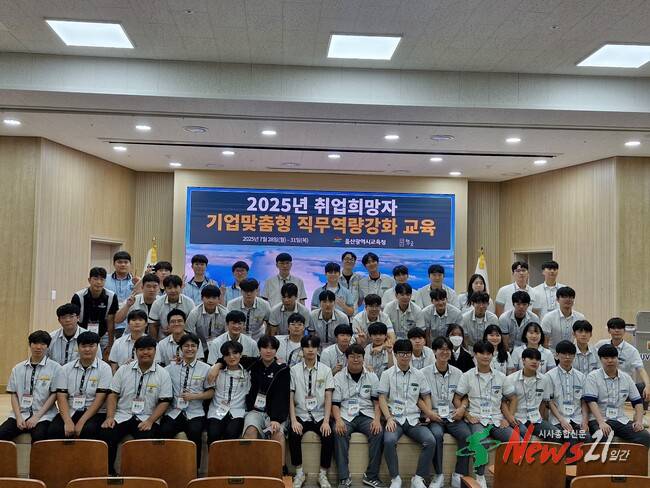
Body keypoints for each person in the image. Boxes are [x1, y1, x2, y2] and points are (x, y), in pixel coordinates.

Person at [100, 335, 173, 475]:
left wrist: (150, 421)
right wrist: (109, 417)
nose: (145, 352)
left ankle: (141, 476)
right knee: (106, 433)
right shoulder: (123, 370)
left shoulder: (163, 374)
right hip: (122, 415)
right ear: (135, 351)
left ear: (155, 351)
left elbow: (164, 401)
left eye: (149, 349)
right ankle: (109, 473)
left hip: (146, 417)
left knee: (147, 438)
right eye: (141, 349)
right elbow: (113, 394)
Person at [454, 341, 514, 488]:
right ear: (475, 355)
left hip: (497, 419)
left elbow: (512, 398)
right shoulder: (467, 376)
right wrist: (467, 415)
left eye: (489, 353)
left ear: (493, 355)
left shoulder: (501, 376)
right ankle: (480, 476)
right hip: (477, 418)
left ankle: (510, 475)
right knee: (481, 442)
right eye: (482, 353)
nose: (486, 356)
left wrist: (508, 418)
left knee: (516, 440)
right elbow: (457, 398)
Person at [378, 339, 435, 488]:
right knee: (389, 441)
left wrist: (428, 414)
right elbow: (382, 398)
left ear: (411, 355)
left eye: (408, 353)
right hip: (395, 419)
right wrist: (388, 418)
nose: (405, 356)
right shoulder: (387, 374)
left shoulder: (419, 374)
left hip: (414, 419)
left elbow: (426, 396)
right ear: (395, 354)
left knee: (430, 440)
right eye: (401, 353)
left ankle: (418, 478)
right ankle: (395, 478)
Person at [419, 337, 472, 488]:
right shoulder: (423, 373)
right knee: (436, 435)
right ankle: (438, 475)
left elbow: (465, 396)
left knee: (467, 435)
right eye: (441, 349)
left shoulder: (458, 373)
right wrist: (429, 413)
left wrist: (462, 408)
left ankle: (459, 473)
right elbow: (418, 398)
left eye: (448, 349)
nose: (445, 352)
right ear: (434, 351)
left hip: (453, 415)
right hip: (434, 416)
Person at [332, 344, 383, 488]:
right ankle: (343, 477)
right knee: (338, 431)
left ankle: (371, 476)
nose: (356, 359)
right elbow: (335, 404)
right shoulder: (338, 377)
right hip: (345, 415)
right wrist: (338, 420)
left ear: (363, 358)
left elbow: (377, 403)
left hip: (366, 414)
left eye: (359, 356)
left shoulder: (372, 376)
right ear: (346, 358)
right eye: (352, 356)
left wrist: (377, 420)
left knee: (378, 432)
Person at [160, 333, 213, 469]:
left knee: (195, 432)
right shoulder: (170, 368)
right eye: (186, 346)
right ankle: (166, 467)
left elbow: (211, 392)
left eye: (193, 346)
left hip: (195, 412)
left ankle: (194, 469)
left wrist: (194, 396)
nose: (190, 349)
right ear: (180, 348)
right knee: (164, 430)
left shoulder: (206, 368)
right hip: (174, 411)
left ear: (198, 348)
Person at [240, 336, 291, 475]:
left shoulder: (282, 369)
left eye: (272, 348)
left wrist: (276, 418)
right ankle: (250, 469)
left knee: (277, 432)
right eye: (265, 347)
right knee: (250, 429)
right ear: (259, 349)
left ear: (276, 351)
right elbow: (231, 358)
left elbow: (282, 396)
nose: (268, 351)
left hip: (275, 413)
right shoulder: (253, 363)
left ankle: (280, 470)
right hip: (255, 411)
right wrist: (217, 365)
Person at [289, 335, 335, 488]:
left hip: (319, 414)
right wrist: (293, 420)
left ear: (318, 349)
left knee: (328, 435)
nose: (310, 350)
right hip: (301, 413)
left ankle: (323, 474)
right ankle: (299, 473)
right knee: (294, 434)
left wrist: (326, 421)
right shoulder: (294, 370)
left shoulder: (326, 370)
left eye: (313, 347)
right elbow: (290, 397)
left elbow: (328, 397)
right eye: (307, 347)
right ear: (301, 350)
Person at [0, 331, 62, 443]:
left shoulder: (55, 368)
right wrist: (18, 417)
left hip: (44, 416)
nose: (38, 347)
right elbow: (13, 394)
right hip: (20, 414)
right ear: (30, 345)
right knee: (2, 434)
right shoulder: (17, 368)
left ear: (48, 346)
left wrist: (36, 417)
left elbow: (54, 395)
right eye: (35, 343)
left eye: (43, 344)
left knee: (39, 437)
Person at [583, 344, 650, 448]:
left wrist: (639, 421)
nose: (610, 361)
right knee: (603, 437)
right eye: (606, 358)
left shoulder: (626, 378)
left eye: (613, 357)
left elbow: (637, 402)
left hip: (620, 419)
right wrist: (601, 423)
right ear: (600, 359)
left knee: (645, 437)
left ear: (617, 358)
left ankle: (632, 459)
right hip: (599, 419)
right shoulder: (593, 377)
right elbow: (591, 402)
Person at [49, 331, 112, 439]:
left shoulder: (105, 368)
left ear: (97, 347)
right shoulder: (65, 369)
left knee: (88, 430)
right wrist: (68, 421)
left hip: (95, 413)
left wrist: (81, 422)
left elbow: (100, 399)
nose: (87, 349)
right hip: (71, 410)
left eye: (91, 346)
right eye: (83, 346)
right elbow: (61, 397)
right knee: (54, 430)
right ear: (78, 347)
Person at [502, 348, 560, 440]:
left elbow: (544, 403)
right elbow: (504, 402)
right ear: (523, 360)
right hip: (518, 418)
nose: (534, 361)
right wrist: (509, 418)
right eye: (531, 358)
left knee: (557, 434)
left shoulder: (544, 379)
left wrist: (543, 421)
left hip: (536, 419)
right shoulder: (510, 379)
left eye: (537, 359)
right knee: (526, 435)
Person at [594, 317, 650, 408]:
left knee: (642, 386)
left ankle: (641, 412)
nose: (617, 330)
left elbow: (641, 370)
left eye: (620, 328)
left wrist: (648, 386)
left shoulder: (632, 350)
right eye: (613, 328)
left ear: (624, 331)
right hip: (603, 385)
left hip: (623, 386)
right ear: (608, 330)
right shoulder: (600, 345)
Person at [546, 340, 590, 445]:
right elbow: (550, 402)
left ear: (574, 356)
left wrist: (585, 421)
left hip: (577, 419)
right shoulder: (549, 376)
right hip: (558, 420)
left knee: (587, 438)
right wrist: (562, 420)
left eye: (570, 354)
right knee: (571, 438)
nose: (567, 357)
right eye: (564, 354)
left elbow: (583, 402)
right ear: (557, 355)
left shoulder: (581, 376)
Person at [207, 341, 251, 443]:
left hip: (238, 411)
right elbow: (209, 385)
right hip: (217, 410)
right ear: (223, 357)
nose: (231, 357)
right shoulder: (216, 371)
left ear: (240, 354)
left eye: (235, 353)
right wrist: (217, 366)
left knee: (231, 433)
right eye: (227, 354)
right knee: (213, 433)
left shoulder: (248, 372)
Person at [71, 266, 119, 358]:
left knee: (105, 359)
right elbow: (74, 319)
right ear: (89, 280)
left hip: (103, 334)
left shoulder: (112, 296)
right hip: (82, 333)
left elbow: (111, 321)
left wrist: (110, 344)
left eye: (102, 279)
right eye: (95, 279)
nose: (99, 282)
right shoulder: (78, 296)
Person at [185, 284, 227, 357]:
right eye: (207, 297)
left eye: (214, 298)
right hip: (200, 346)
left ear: (219, 299)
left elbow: (228, 334)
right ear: (202, 298)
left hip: (220, 347)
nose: (210, 301)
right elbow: (188, 333)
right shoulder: (194, 313)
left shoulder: (225, 313)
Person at [149, 275, 195, 340]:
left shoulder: (189, 302)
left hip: (184, 340)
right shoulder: (157, 303)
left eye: (176, 287)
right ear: (165, 289)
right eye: (169, 288)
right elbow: (152, 324)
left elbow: (192, 325)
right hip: (162, 340)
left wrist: (176, 330)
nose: (173, 291)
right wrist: (155, 343)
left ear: (181, 287)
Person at [105, 251, 139, 339]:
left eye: (126, 262)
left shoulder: (136, 281)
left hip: (128, 324)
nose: (123, 265)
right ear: (114, 264)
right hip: (107, 323)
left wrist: (138, 284)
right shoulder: (105, 279)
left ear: (130, 264)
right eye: (119, 262)